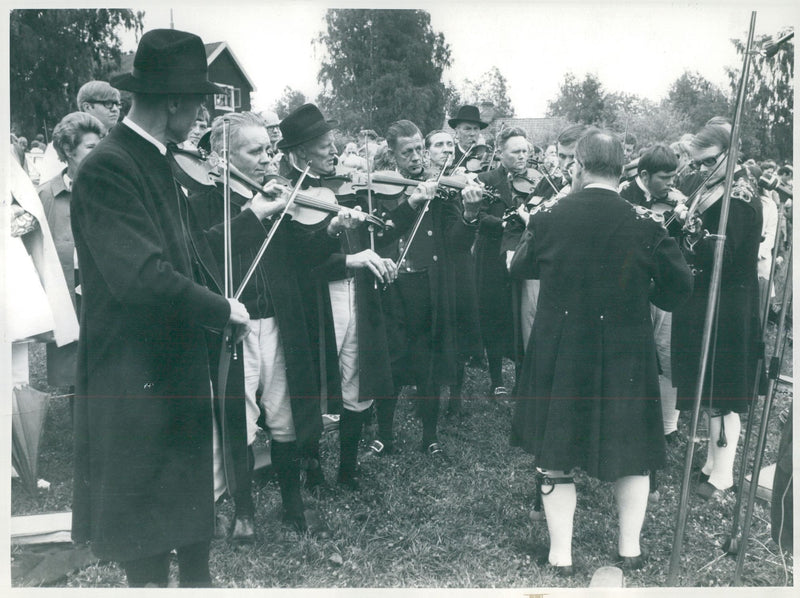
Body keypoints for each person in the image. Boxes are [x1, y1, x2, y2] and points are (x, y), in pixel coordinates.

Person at [70, 29, 251, 587]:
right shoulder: (109, 166)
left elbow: (188, 255)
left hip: (171, 373)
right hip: (132, 382)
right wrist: (222, 311)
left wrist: (251, 220)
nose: (201, 116)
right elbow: (143, 278)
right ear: (173, 100)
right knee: (145, 552)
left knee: (191, 537)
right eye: (198, 103)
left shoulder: (161, 160)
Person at [509, 131, 692, 574]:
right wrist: (644, 292)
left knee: (555, 453)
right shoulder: (646, 221)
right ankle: (629, 549)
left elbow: (519, 267)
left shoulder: (549, 215)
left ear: (580, 165)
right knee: (633, 450)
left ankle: (561, 556)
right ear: (623, 167)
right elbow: (681, 286)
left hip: (561, 348)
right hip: (626, 351)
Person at [190, 110, 342, 539]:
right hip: (234, 326)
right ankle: (244, 512)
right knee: (239, 416)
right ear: (223, 155)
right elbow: (201, 256)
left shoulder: (277, 198)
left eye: (269, 150)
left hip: (278, 320)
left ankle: (293, 504)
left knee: (285, 412)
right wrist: (252, 214)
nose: (267, 159)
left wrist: (330, 229)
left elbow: (300, 255)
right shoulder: (203, 199)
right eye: (255, 151)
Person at [370, 119, 482, 457]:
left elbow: (457, 243)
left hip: (429, 285)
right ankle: (385, 434)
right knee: (390, 359)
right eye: (408, 152)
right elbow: (382, 235)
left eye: (420, 148)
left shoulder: (442, 189)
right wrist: (412, 203)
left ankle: (429, 435)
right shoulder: (380, 188)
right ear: (392, 153)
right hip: (392, 284)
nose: (418, 157)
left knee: (428, 361)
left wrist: (470, 214)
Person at [672, 121, 763, 501]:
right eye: (697, 163)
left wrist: (687, 229)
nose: (702, 170)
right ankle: (712, 462)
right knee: (709, 385)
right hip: (709, 295)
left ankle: (723, 475)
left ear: (731, 153)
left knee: (723, 388)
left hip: (728, 299)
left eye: (709, 161)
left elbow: (722, 254)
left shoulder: (739, 196)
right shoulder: (714, 186)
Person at [37, 111, 106, 389]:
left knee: (106, 366)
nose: (99, 155)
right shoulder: (45, 195)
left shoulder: (110, 190)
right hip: (64, 290)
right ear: (68, 150)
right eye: (90, 148)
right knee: (72, 372)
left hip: (101, 288)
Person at [424, 130, 482, 415]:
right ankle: (427, 391)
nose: (446, 149)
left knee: (459, 326)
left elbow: (462, 237)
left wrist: (470, 208)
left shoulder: (464, 181)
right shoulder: (421, 182)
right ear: (428, 152)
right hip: (430, 263)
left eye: (449, 144)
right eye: (438, 145)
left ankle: (456, 394)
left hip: (457, 264)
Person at [475, 127, 530, 395]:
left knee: (522, 314)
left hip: (524, 255)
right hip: (493, 256)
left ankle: (522, 377)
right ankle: (496, 379)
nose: (523, 156)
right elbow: (479, 216)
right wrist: (506, 222)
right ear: (501, 153)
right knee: (495, 314)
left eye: (525, 151)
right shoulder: (485, 179)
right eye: (516, 151)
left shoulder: (536, 182)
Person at [39, 80, 122, 181]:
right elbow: (51, 191)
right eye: (108, 103)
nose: (115, 109)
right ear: (87, 107)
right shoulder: (63, 144)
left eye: (117, 104)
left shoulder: (120, 145)